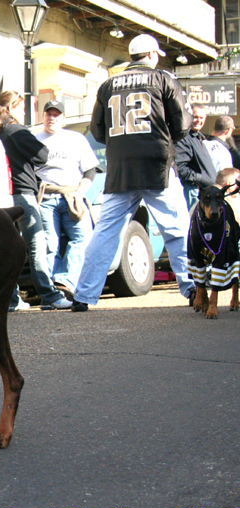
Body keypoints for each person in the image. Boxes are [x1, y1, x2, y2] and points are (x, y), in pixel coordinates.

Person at [72, 34, 195, 312]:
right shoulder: (163, 79)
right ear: (151, 55)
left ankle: (83, 295)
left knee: (105, 232)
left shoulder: (107, 86)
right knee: (176, 229)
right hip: (156, 166)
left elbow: (98, 131)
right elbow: (183, 124)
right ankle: (192, 288)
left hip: (119, 170)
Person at [0, 90, 71, 311]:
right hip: (22, 193)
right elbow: (41, 155)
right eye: (22, 107)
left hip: (0, 193)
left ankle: (12, 299)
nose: (25, 112)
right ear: (12, 108)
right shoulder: (16, 130)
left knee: (8, 248)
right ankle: (50, 296)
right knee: (36, 245)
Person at [34, 100, 99, 297]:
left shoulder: (76, 139)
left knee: (84, 239)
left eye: (56, 115)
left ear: (63, 118)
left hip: (72, 196)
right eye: (48, 114)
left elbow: (90, 170)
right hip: (45, 198)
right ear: (43, 116)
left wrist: (80, 192)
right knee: (49, 245)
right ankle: (53, 291)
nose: (52, 118)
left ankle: (66, 281)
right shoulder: (34, 140)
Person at [175, 103, 216, 211]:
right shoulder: (184, 137)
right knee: (190, 224)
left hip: (201, 192)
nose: (198, 120)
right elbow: (179, 167)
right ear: (188, 116)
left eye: (201, 117)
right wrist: (199, 179)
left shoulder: (197, 137)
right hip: (190, 190)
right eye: (195, 117)